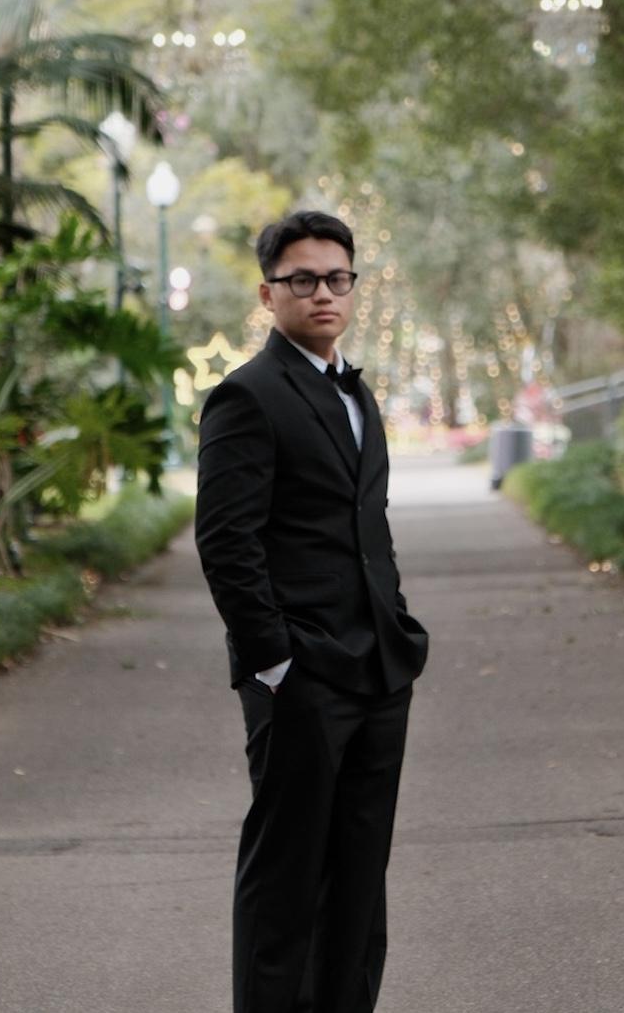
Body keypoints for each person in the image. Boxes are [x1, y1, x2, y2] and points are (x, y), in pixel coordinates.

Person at [195, 210, 429, 1013]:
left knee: (360, 884)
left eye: (337, 278)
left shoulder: (357, 391)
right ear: (269, 294)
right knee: (286, 883)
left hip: (379, 669)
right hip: (300, 678)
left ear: (353, 288)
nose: (323, 292)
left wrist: (396, 624)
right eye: (302, 280)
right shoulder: (246, 396)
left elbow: (368, 527)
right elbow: (226, 542)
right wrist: (273, 662)